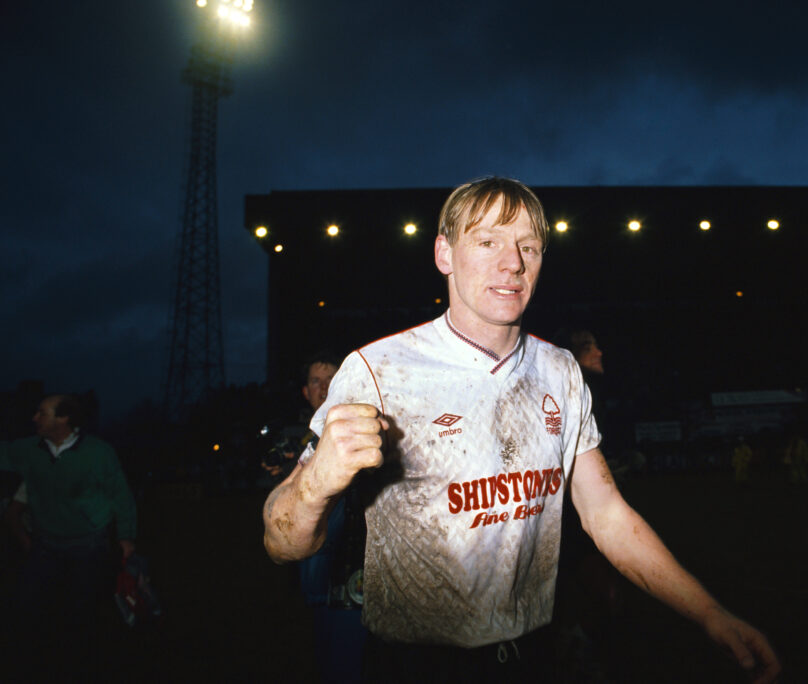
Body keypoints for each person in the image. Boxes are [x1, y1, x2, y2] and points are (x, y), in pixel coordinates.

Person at [262, 177, 780, 683]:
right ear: (444, 254)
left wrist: (709, 613)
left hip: (535, 656)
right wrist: (315, 484)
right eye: (487, 242)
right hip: (416, 664)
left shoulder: (560, 370)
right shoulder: (377, 370)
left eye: (528, 246)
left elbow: (606, 515)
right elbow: (282, 543)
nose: (513, 263)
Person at [0, 394, 137, 667]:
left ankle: (80, 663)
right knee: (27, 602)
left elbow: (120, 495)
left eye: (42, 413)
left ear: (63, 418)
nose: (34, 418)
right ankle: (30, 661)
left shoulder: (98, 452)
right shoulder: (29, 449)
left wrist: (126, 536)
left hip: (88, 544)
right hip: (46, 544)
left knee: (81, 609)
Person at [263, 353, 368, 683]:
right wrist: (284, 476)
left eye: (330, 380)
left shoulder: (359, 430)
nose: (323, 388)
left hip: (352, 579)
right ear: (305, 392)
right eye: (315, 381)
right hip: (312, 581)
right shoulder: (299, 437)